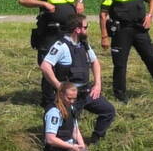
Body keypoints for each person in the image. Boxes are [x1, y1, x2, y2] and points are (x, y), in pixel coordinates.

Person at [19, 0, 85, 107]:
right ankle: (48, 101)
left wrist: (79, 2)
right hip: (49, 34)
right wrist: (43, 3)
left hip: (67, 33)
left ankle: (66, 98)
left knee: (68, 66)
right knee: (50, 66)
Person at [40, 14, 115, 143]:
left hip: (86, 92)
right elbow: (45, 66)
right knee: (68, 128)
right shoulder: (61, 46)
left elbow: (95, 62)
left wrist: (98, 84)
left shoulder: (83, 44)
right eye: (86, 27)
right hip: (70, 97)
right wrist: (59, 86)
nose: (87, 30)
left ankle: (95, 139)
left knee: (108, 111)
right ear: (77, 29)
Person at [43, 81, 100, 151]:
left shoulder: (71, 108)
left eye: (74, 98)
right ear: (60, 94)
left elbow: (75, 130)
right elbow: (50, 139)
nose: (72, 101)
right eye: (69, 98)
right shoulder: (54, 112)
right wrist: (72, 147)